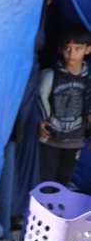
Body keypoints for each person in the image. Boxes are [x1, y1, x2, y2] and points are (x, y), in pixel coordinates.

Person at [38, 24, 91, 186]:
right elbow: (41, 100)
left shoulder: (89, 78)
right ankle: (42, 211)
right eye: (67, 48)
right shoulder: (50, 75)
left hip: (75, 139)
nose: (72, 53)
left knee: (64, 180)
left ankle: (58, 211)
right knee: (45, 180)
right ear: (60, 49)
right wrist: (41, 122)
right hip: (50, 139)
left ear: (87, 50)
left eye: (78, 48)